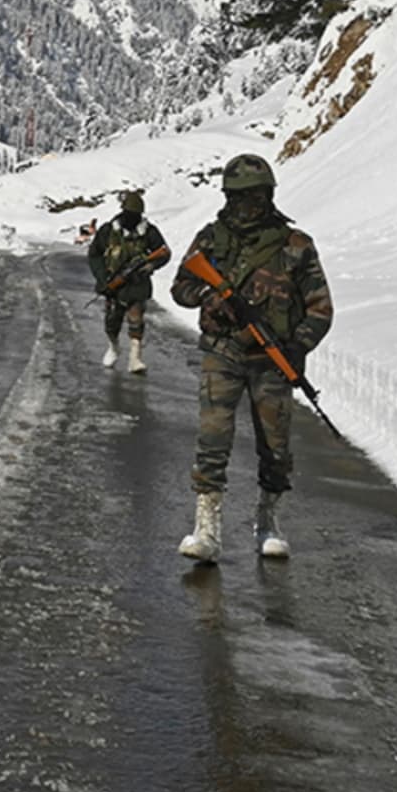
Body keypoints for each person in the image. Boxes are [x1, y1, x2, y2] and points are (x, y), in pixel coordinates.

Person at [168, 154, 332, 563]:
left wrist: (298, 345)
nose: (249, 205)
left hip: (272, 360)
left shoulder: (296, 246)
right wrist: (210, 297)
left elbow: (320, 309)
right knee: (213, 437)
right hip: (222, 351)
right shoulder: (211, 239)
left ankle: (269, 518)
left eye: (257, 196)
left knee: (275, 445)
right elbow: (180, 287)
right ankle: (207, 525)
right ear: (227, 197)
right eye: (241, 197)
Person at [86, 190, 171, 374]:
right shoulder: (109, 231)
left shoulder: (149, 231)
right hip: (114, 284)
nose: (131, 218)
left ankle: (135, 358)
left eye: (135, 215)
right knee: (111, 323)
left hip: (137, 285)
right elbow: (94, 255)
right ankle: (114, 347)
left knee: (136, 320)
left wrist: (150, 266)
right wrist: (103, 278)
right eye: (128, 214)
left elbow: (164, 252)